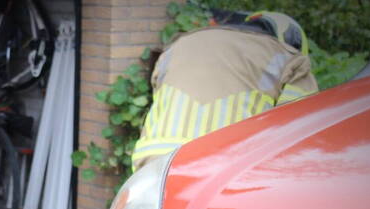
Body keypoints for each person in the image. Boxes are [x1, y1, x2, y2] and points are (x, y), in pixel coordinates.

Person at [131, 10, 318, 170]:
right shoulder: (289, 59)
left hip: (154, 162)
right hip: (227, 165)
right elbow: (300, 131)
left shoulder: (178, 47)